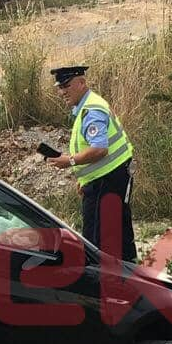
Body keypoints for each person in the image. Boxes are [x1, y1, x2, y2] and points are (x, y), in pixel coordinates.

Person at [45, 65, 137, 263]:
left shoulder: (91, 111)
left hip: (106, 182)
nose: (62, 92)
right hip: (110, 176)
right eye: (59, 87)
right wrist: (85, 178)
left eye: (66, 86)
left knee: (96, 243)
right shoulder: (89, 105)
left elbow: (99, 149)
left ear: (81, 83)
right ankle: (131, 277)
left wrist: (69, 161)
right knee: (119, 233)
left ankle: (105, 284)